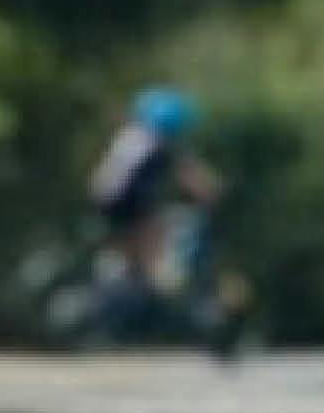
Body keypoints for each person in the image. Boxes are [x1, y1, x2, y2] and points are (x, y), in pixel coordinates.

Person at [76, 86, 221, 349]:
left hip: (104, 203)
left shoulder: (130, 136)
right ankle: (151, 295)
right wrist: (211, 193)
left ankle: (129, 298)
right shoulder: (157, 141)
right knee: (159, 242)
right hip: (130, 204)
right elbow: (193, 178)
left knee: (133, 255)